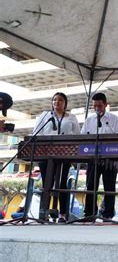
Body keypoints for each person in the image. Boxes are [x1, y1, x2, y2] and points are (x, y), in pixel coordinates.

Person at [32, 92, 80, 222]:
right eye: (54, 100)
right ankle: (44, 212)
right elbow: (36, 132)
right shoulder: (45, 115)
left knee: (63, 183)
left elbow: (77, 136)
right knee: (47, 183)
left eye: (60, 100)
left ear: (65, 103)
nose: (56, 102)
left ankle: (63, 214)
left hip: (64, 154)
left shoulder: (71, 117)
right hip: (45, 154)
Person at [81, 92, 118, 219]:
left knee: (109, 186)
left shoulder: (114, 119)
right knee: (90, 185)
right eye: (95, 106)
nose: (97, 108)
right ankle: (89, 213)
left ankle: (108, 214)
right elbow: (83, 137)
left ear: (105, 104)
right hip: (92, 157)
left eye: (99, 106)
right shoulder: (89, 120)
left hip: (110, 157)